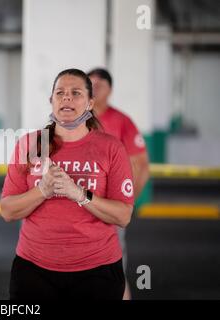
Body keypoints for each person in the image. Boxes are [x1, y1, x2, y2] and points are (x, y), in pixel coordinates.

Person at [0, 68, 134, 300]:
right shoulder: (32, 144)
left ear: (90, 103)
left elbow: (123, 216)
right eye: (60, 92)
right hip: (33, 270)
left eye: (76, 93)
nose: (67, 97)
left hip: (97, 272)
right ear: (51, 100)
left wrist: (81, 194)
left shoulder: (110, 147)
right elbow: (8, 210)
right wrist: (43, 190)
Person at [88, 68, 150, 300]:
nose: (94, 88)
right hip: (76, 208)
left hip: (107, 208)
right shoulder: (72, 120)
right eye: (90, 84)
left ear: (110, 90)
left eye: (100, 84)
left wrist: (126, 202)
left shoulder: (122, 121)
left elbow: (141, 166)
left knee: (113, 270)